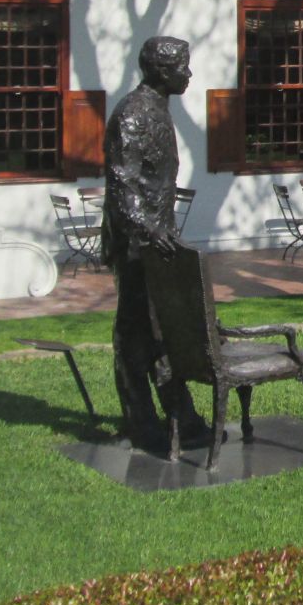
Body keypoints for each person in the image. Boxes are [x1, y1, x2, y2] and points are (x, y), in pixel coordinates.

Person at [102, 35, 206, 450]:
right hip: (138, 246)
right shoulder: (133, 115)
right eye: (183, 65)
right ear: (163, 71)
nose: (189, 73)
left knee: (159, 329)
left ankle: (177, 416)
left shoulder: (157, 110)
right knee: (137, 333)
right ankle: (147, 419)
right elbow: (122, 185)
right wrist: (151, 231)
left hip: (158, 242)